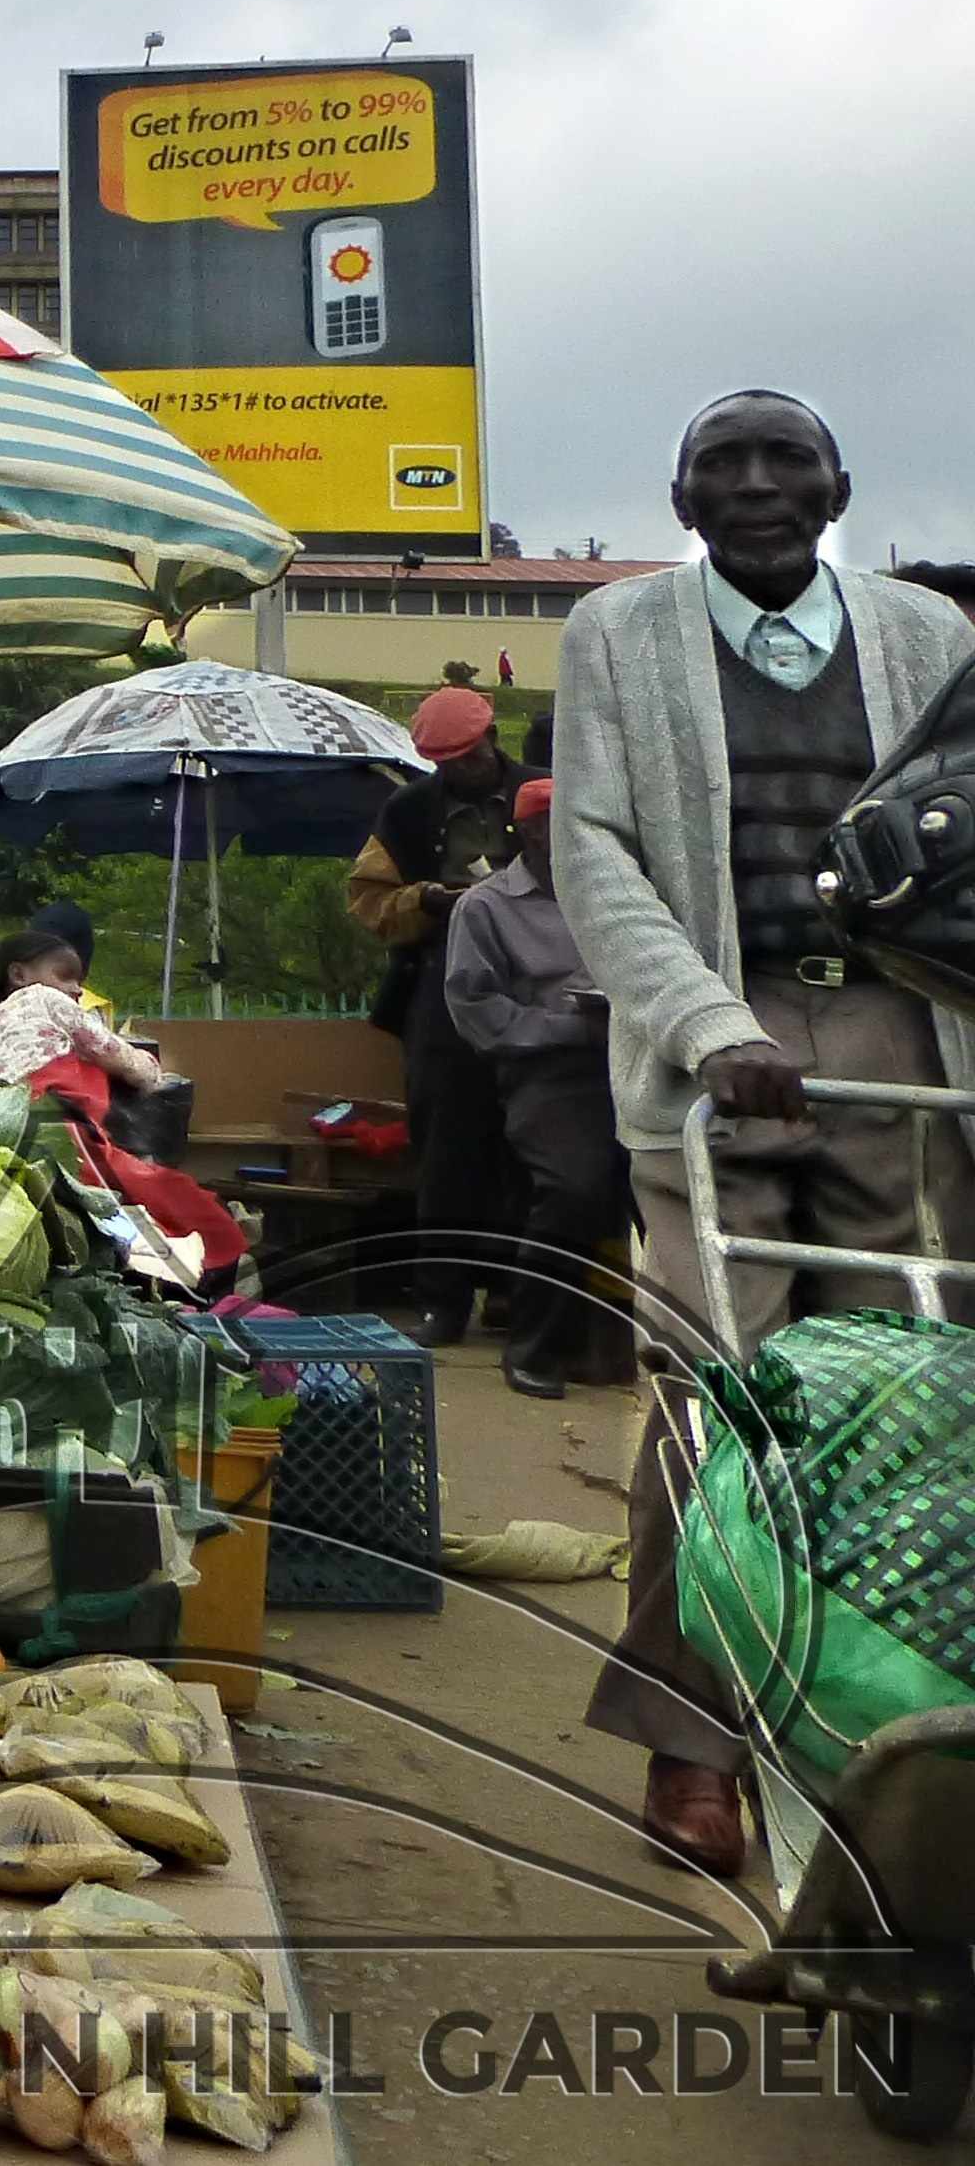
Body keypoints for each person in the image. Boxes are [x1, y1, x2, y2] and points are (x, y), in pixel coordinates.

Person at [560, 388, 975, 1876]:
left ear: (836, 488)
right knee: (716, 1392)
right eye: (720, 464)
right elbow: (594, 851)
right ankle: (692, 1743)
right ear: (681, 501)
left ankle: (882, 1739)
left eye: (784, 460)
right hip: (711, 1055)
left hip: (904, 1045)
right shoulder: (616, 634)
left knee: (908, 1401)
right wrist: (707, 1024)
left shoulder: (929, 633)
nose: (754, 484)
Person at [345, 682, 539, 1343]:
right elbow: (368, 900)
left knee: (534, 1146)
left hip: (541, 983)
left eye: (469, 756)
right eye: (446, 762)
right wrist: (426, 900)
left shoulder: (544, 790)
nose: (461, 770)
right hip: (442, 984)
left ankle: (519, 1293)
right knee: (446, 1149)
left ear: (492, 738)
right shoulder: (408, 810)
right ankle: (442, 1300)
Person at [441, 778, 627, 1402]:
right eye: (549, 829)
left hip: (638, 1056)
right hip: (552, 1070)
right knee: (576, 1188)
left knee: (688, 1175)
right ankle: (534, 1347)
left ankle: (645, 1344)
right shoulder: (486, 907)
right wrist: (569, 1027)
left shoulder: (622, 891)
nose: (565, 841)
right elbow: (475, 1011)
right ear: (524, 833)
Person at [0, 933, 243, 1273]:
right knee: (145, 1189)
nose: (77, 990)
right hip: (58, 1127)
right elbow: (113, 1052)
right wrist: (150, 1072)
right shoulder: (45, 999)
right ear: (19, 974)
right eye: (66, 976)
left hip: (6, 1131)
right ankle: (207, 1257)